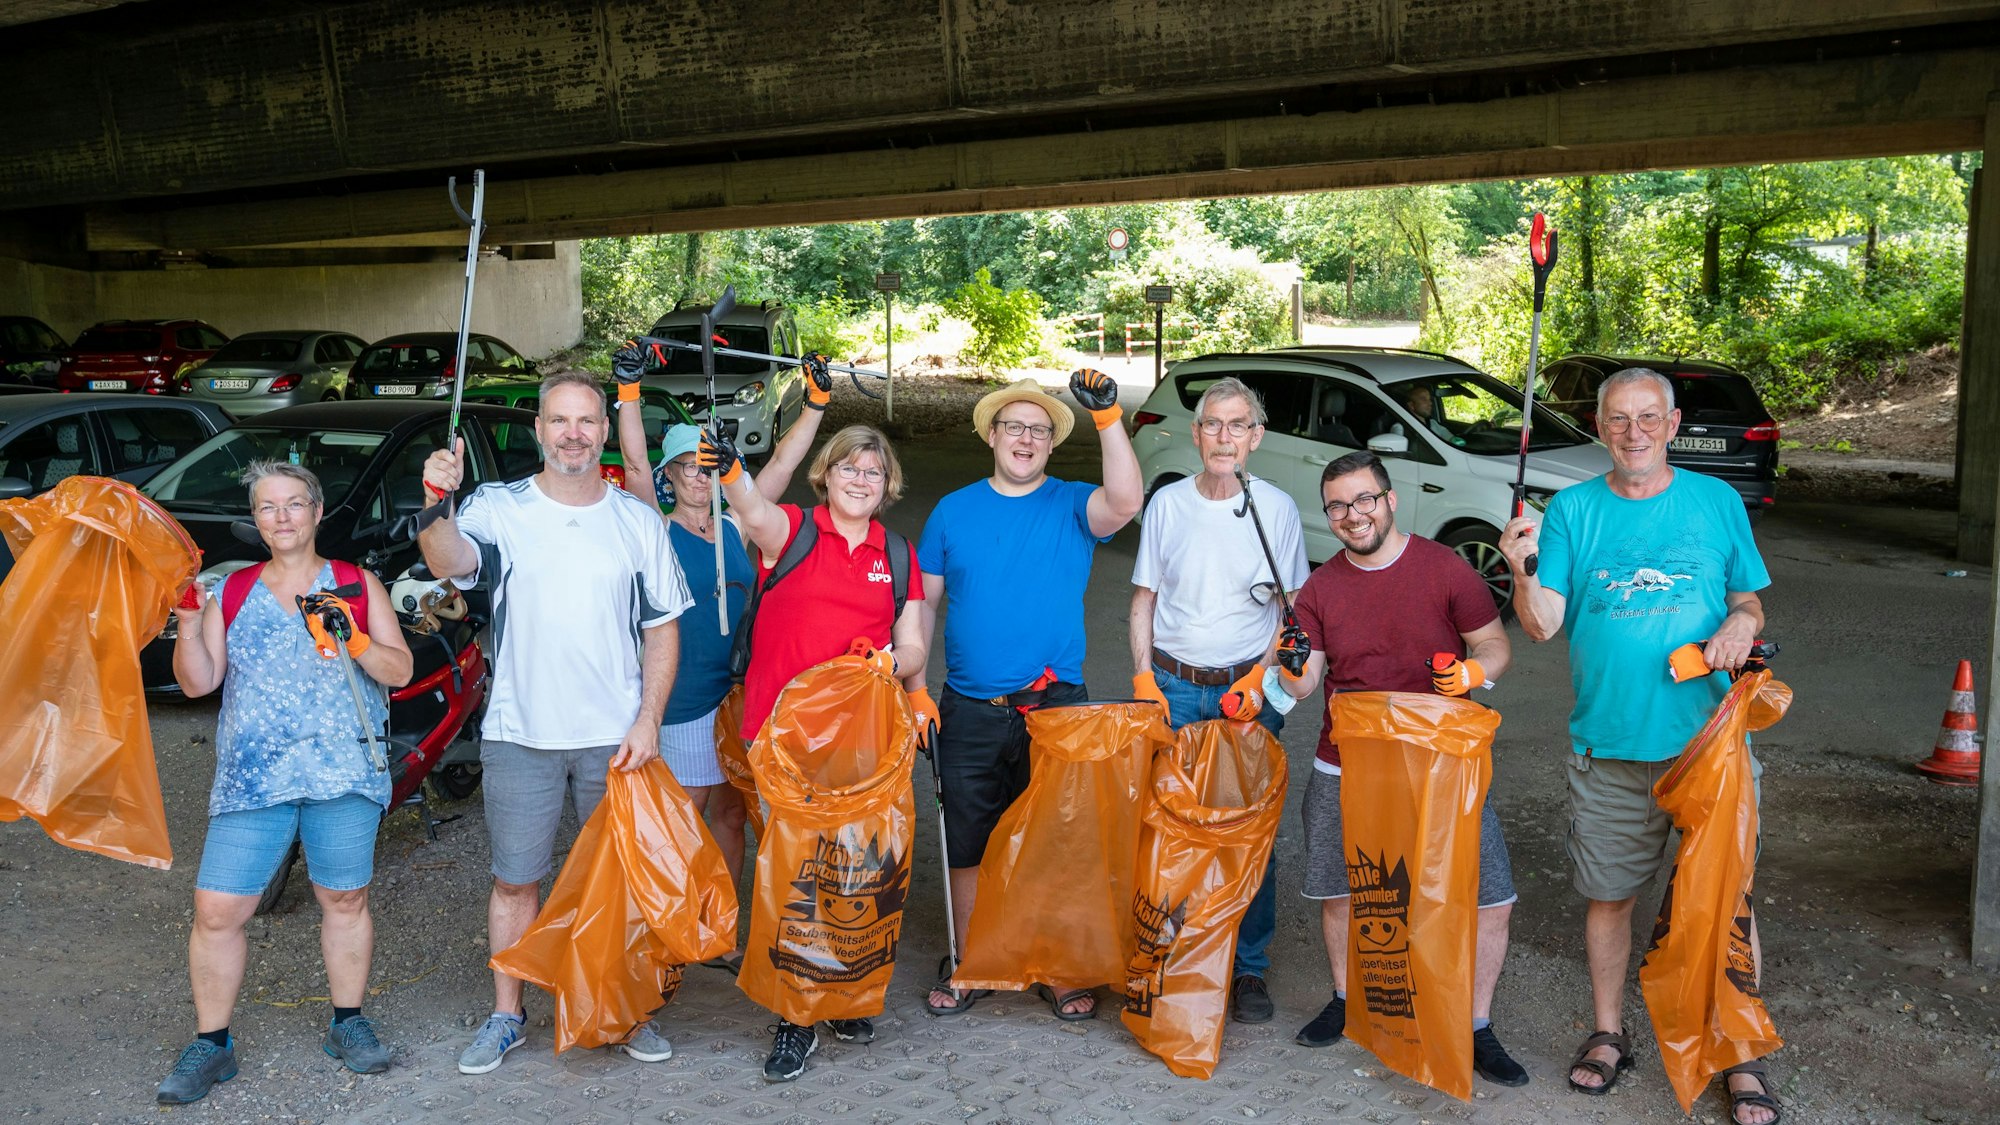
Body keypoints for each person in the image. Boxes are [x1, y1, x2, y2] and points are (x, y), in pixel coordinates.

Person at [1500, 367, 1779, 1125]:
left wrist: (1741, 623)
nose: (1634, 432)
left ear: (1673, 422)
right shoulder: (1573, 510)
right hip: (1610, 746)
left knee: (1726, 902)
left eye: (1649, 417)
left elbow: (1748, 598)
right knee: (1610, 896)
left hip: (1709, 747)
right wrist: (1521, 568)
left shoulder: (1716, 501)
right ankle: (1608, 1032)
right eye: (1619, 419)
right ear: (1599, 426)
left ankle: (1737, 1051)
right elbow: (1542, 626)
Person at [418, 371, 692, 1075]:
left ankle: (624, 1007)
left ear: (603, 432)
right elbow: (451, 561)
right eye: (560, 421)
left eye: (587, 421)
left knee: (622, 880)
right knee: (516, 881)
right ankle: (508, 1014)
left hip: (616, 738)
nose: (574, 434)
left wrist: (649, 720)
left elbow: (663, 628)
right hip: (520, 732)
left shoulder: (637, 520)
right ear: (538, 430)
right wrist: (434, 503)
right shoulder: (498, 506)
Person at [158, 461, 414, 1105]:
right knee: (217, 910)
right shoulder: (234, 590)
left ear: (317, 511)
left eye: (294, 504)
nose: (282, 517)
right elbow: (198, 682)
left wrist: (354, 637)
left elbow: (400, 670)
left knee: (344, 899)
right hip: (253, 779)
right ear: (256, 520)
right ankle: (211, 1044)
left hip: (343, 771)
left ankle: (348, 1023)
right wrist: (188, 621)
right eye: (268, 507)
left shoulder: (355, 584)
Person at [1277, 450, 1528, 1087]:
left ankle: (1476, 1026)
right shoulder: (1320, 588)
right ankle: (1346, 1000)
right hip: (1346, 764)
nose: (1352, 514)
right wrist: (1289, 656)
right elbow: (1302, 686)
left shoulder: (1443, 567)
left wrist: (1472, 674)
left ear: (1390, 500)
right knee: (1343, 889)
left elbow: (1494, 644)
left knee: (1489, 897)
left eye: (1364, 499)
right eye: (1338, 506)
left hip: (1441, 762)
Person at [704, 421, 928, 1082]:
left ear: (888, 485)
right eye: (849, 468)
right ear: (826, 474)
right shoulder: (795, 531)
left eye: (873, 471)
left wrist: (890, 662)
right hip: (784, 742)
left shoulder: (898, 554)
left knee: (850, 874)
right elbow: (751, 509)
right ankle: (794, 1016)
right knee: (795, 879)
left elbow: (914, 644)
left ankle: (837, 995)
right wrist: (731, 469)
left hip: (859, 745)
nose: (861, 480)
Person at [915, 372, 1143, 1019]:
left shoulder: (1072, 504)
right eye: (1014, 426)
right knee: (967, 841)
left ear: (1051, 443)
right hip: (969, 706)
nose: (1025, 438)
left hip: (1058, 706)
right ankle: (971, 960)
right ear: (992, 435)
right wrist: (915, 689)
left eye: (1039, 430)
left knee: (1061, 838)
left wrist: (1108, 417)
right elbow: (922, 605)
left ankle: (1061, 966)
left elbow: (1126, 501)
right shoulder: (952, 511)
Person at [611, 349, 833, 905]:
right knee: (687, 816)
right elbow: (633, 466)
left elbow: (780, 465)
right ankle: (681, 926)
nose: (698, 476)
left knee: (733, 814)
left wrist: (815, 403)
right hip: (684, 699)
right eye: (686, 466)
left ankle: (722, 922)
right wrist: (629, 392)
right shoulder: (654, 528)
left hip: (740, 695)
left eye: (707, 466)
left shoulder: (738, 526)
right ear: (669, 475)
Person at [1128, 376, 1307, 1025]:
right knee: (1170, 829)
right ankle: (1172, 953)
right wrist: (1143, 677)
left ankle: (1248, 966)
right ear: (1196, 433)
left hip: (1244, 692)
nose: (1224, 437)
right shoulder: (1168, 504)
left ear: (1255, 437)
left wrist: (1259, 678)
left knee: (1247, 832)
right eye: (1212, 424)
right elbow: (1144, 599)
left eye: (1237, 425)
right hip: (1172, 686)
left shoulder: (1277, 510)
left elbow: (1293, 612)